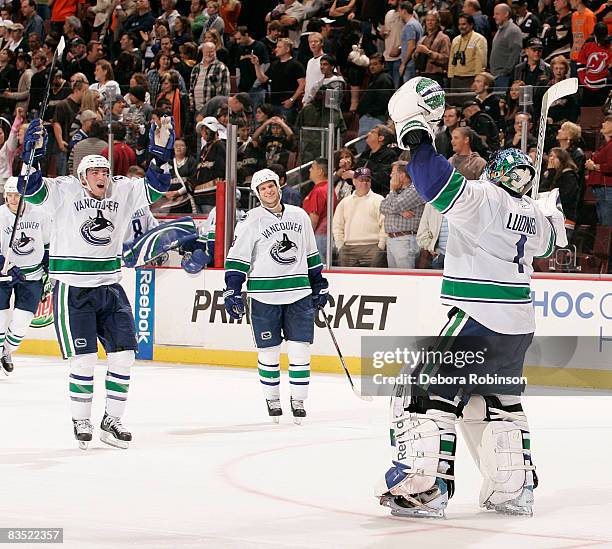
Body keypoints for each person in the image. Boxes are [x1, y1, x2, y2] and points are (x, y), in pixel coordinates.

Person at [378, 77, 565, 517]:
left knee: (422, 390)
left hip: (478, 318)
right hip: (517, 328)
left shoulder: (486, 200)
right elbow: (553, 242)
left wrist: (418, 135)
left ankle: (423, 489)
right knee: (495, 403)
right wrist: (548, 211)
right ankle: (512, 490)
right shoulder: (535, 218)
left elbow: (433, 183)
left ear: (496, 176)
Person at [17, 116, 175, 450]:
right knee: (85, 360)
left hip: (110, 286)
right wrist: (30, 154)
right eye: (95, 172)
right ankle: (82, 419)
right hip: (72, 288)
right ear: (81, 176)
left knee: (124, 355)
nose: (101, 177)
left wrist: (161, 155)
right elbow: (29, 188)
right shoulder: (63, 191)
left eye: (105, 171)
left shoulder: (123, 190)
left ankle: (112, 420)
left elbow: (156, 186)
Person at [223, 168, 329, 423]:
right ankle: (272, 399)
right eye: (263, 188)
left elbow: (311, 253)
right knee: (269, 353)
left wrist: (319, 283)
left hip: (299, 294)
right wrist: (232, 290)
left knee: (300, 351)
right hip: (264, 297)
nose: (268, 191)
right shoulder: (251, 220)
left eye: (271, 186)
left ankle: (299, 400)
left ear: (278, 187)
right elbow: (237, 258)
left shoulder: (300, 216)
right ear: (257, 193)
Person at [0, 177, 50, 375]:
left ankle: (7, 351)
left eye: (17, 195)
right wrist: (10, 268)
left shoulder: (40, 213)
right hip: (3, 275)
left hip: (32, 274)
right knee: (1, 319)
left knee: (21, 323)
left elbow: (47, 245)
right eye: (10, 195)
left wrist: (49, 272)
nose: (13, 199)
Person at [380, 160, 425, 269]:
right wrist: (400, 211)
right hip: (391, 240)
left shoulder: (415, 190)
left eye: (393, 173)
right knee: (394, 281)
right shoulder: (397, 191)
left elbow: (393, 206)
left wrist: (392, 191)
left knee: (406, 280)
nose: (390, 175)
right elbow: (382, 207)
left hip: (405, 240)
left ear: (402, 175)